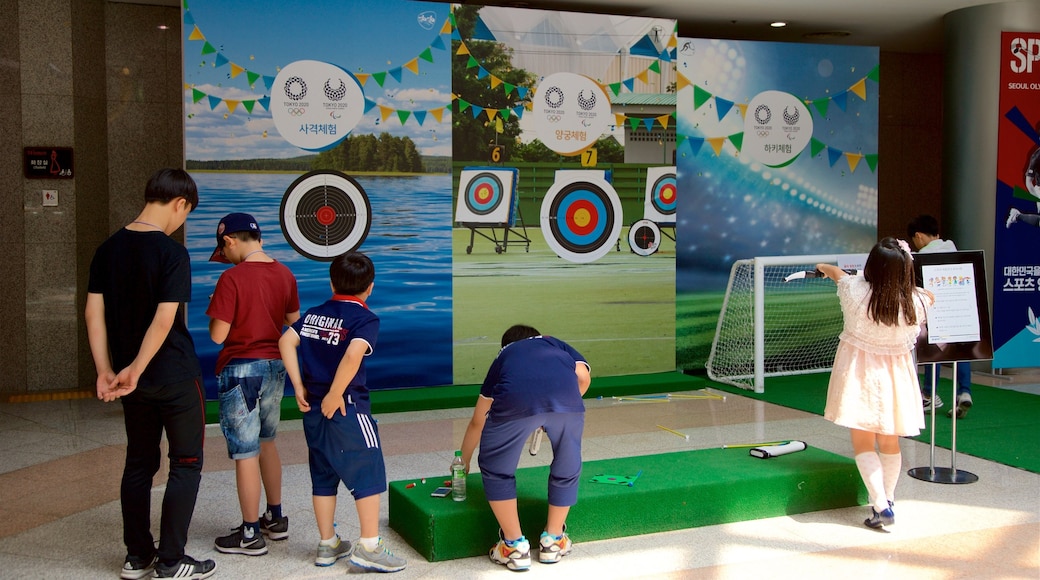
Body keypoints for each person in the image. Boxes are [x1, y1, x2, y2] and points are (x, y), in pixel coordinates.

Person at [84, 168, 216, 580]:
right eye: (186, 213)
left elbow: (94, 313)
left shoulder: (107, 249)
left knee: (139, 463)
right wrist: (137, 370)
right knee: (186, 463)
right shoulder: (172, 253)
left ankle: (137, 557)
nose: (182, 221)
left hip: (129, 380)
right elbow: (165, 320)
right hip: (173, 375)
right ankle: (173, 560)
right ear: (180, 204)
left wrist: (108, 371)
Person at [278, 251, 406, 573]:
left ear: (332, 282)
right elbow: (353, 355)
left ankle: (327, 543)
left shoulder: (313, 314)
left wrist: (298, 386)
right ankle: (369, 547)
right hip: (347, 407)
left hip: (313, 410)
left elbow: (285, 343)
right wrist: (336, 395)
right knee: (369, 472)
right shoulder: (365, 319)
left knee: (323, 475)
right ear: (370, 288)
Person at [816, 237, 932, 530]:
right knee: (890, 441)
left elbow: (837, 274)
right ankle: (888, 499)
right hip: (898, 379)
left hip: (860, 375)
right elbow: (928, 295)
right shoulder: (916, 302)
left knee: (864, 441)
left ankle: (880, 504)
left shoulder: (855, 291)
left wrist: (823, 267)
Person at [460, 324, 591, 570]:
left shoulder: (505, 355)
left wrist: (463, 461)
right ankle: (553, 541)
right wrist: (559, 406)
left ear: (506, 345)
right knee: (568, 464)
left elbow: (479, 419)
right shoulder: (554, 342)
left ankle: (513, 547)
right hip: (568, 402)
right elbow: (583, 377)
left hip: (515, 406)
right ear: (537, 335)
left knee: (496, 468)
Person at [206, 212, 300, 556]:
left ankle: (249, 534)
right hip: (276, 368)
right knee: (268, 442)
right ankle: (275, 518)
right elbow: (294, 324)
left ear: (229, 240)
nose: (224, 259)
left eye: (223, 251)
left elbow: (218, 336)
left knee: (246, 453)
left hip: (241, 370)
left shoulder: (232, 279)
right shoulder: (285, 273)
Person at [906, 214, 974, 417]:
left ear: (918, 236)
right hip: (961, 309)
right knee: (960, 352)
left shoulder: (921, 257)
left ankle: (929, 395)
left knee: (934, 352)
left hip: (935, 312)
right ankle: (964, 391)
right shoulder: (955, 251)